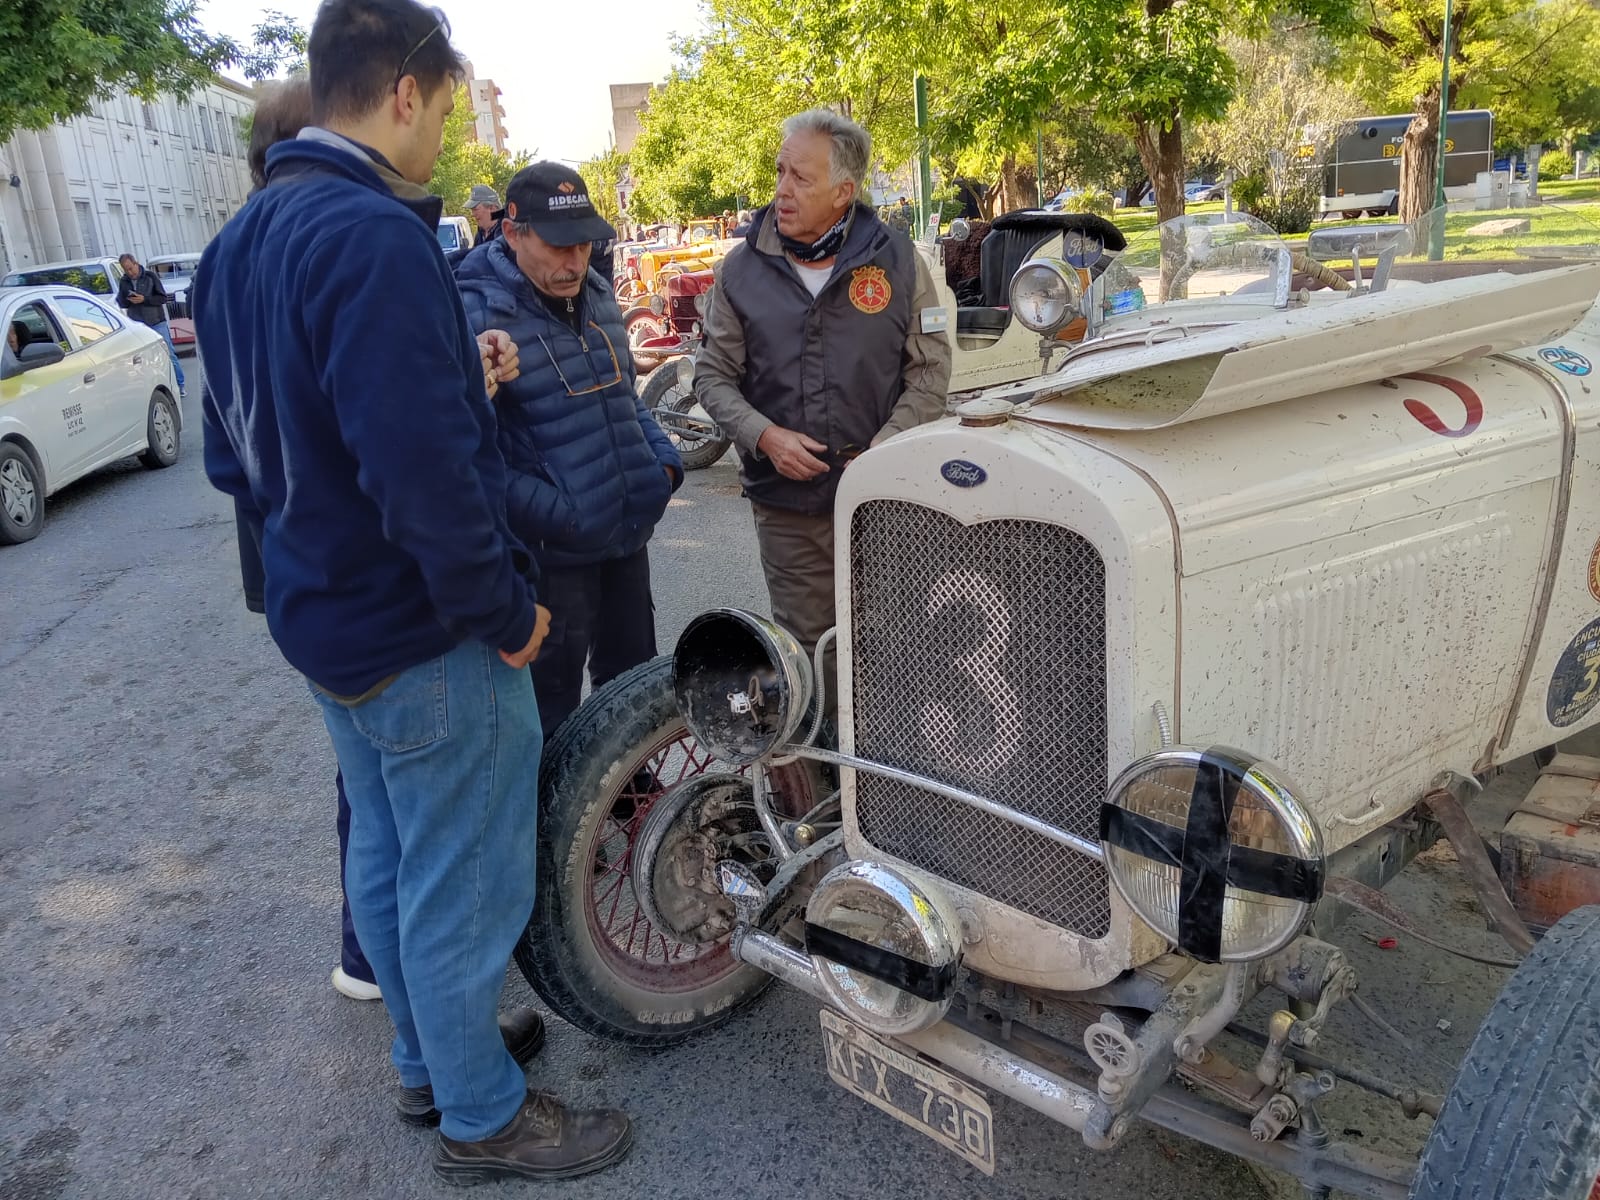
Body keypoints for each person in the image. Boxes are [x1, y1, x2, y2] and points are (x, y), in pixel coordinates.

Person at [193, 0, 631, 1183]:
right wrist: (504, 615)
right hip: (425, 627)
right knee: (460, 887)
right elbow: (423, 479)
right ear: (405, 89)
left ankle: (424, 1061)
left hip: (324, 618)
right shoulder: (373, 233)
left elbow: (234, 457)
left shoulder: (241, 240)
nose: (442, 132)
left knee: (387, 859)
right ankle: (483, 1116)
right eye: (442, 107)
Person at [694, 108, 951, 698]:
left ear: (843, 192)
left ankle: (895, 780)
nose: (783, 190)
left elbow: (931, 374)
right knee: (813, 659)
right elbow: (712, 378)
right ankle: (830, 782)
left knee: (899, 647)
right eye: (780, 172)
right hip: (789, 511)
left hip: (886, 506)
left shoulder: (899, 260)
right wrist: (765, 436)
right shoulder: (741, 270)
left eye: (801, 178)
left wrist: (884, 454)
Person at [457, 163, 682, 735]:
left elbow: (625, 397)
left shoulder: (600, 293)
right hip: (550, 556)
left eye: (584, 243)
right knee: (547, 717)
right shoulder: (472, 312)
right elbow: (466, 452)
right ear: (511, 232)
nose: (574, 260)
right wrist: (558, 513)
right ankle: (553, 827)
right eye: (558, 245)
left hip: (625, 536)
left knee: (635, 699)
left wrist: (663, 466)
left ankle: (633, 816)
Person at [115, 254, 185, 395]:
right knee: (144, 359)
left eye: (131, 268)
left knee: (168, 353)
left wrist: (144, 299)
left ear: (136, 263)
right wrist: (128, 300)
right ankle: (155, 388)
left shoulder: (150, 276)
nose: (130, 272)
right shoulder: (124, 281)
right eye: (126, 270)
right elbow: (121, 302)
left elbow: (162, 298)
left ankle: (180, 384)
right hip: (138, 325)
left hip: (156, 321)